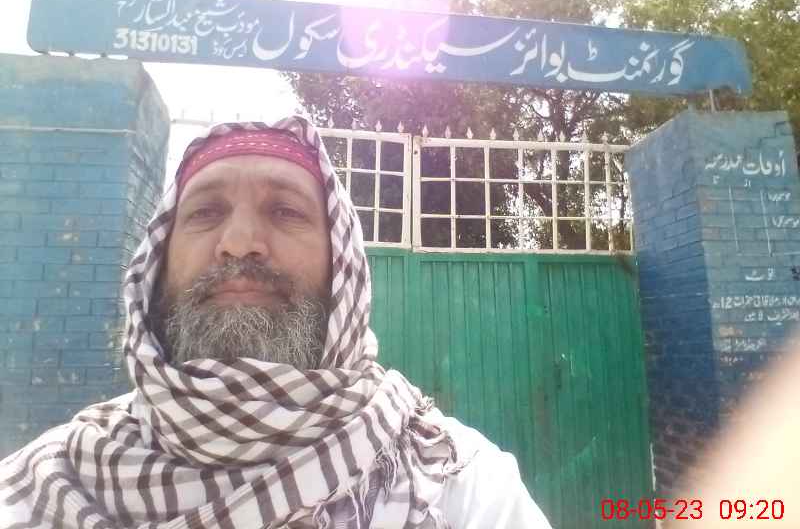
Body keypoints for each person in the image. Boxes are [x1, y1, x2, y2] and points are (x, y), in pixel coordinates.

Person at [0, 117, 552, 528]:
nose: (240, 243)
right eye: (205, 213)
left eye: (285, 211)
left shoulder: (459, 485)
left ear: (342, 267)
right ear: (157, 263)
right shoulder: (44, 484)